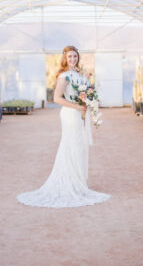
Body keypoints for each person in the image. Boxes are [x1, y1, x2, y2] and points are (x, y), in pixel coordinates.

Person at [16, 46, 112, 208]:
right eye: (70, 57)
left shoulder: (79, 75)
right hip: (70, 115)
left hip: (80, 114)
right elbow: (56, 98)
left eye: (75, 56)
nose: (73, 59)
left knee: (80, 147)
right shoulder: (65, 77)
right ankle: (71, 183)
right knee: (72, 146)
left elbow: (87, 91)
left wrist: (88, 97)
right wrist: (77, 106)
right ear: (65, 59)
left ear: (78, 57)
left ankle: (79, 182)